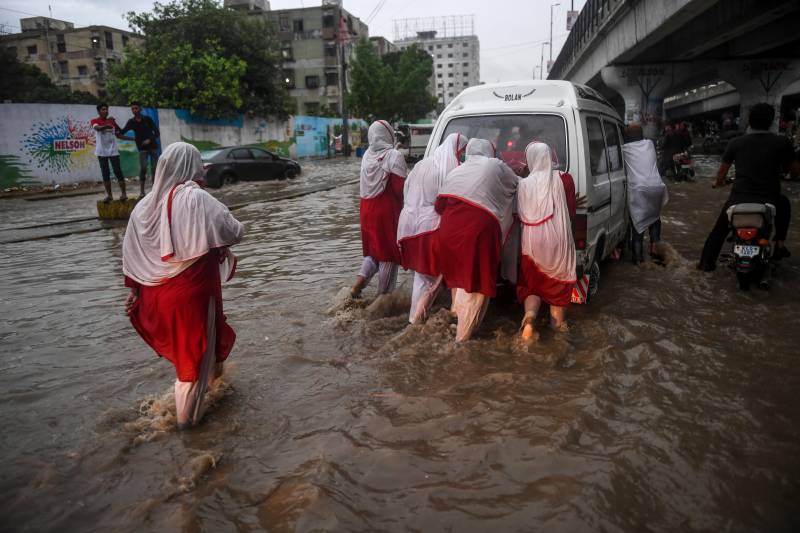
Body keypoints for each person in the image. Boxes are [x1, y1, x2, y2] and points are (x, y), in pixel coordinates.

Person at [122, 142, 244, 429]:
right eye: (199, 162)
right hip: (192, 294)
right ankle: (187, 433)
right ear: (191, 166)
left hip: (154, 293)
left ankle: (212, 397)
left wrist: (134, 291)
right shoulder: (196, 198)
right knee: (192, 364)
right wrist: (212, 240)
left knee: (198, 354)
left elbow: (131, 253)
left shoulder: (143, 207)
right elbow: (235, 230)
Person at [698, 103, 799, 271]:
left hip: (739, 199)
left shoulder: (735, 143)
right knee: (785, 204)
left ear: (749, 121)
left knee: (718, 232)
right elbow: (795, 170)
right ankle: (780, 244)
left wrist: (718, 182)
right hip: (770, 199)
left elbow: (721, 174)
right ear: (772, 121)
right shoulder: (782, 142)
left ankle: (705, 265)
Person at [435, 139, 518, 342]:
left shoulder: (456, 171)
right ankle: (460, 343)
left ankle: (452, 323)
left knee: (459, 281)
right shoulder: (494, 165)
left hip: (447, 231)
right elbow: (515, 183)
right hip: (477, 231)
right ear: (490, 151)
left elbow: (439, 206)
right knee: (477, 287)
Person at [397, 133, 468, 323]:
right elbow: (447, 203)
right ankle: (416, 321)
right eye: (461, 152)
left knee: (420, 276)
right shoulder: (449, 168)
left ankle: (420, 316)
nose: (461, 156)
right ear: (455, 149)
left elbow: (406, 189)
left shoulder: (422, 164)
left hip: (407, 225)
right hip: (428, 228)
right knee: (429, 278)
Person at [516, 142, 577, 341]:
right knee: (557, 289)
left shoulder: (522, 184)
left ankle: (530, 319)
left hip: (532, 242)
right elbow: (571, 212)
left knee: (532, 286)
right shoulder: (564, 179)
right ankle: (558, 326)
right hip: (558, 241)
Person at [351, 120, 409, 298]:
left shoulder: (367, 155)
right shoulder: (394, 156)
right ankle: (382, 298)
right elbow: (400, 189)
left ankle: (357, 285)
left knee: (374, 252)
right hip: (385, 209)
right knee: (389, 254)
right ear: (388, 134)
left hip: (366, 209)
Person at [622, 123, 668, 264]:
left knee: (638, 224)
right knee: (654, 218)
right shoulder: (649, 144)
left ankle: (638, 259)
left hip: (639, 189)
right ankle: (655, 249)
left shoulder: (624, 149)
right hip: (657, 187)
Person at [119, 102, 160, 199]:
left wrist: (149, 139)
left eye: (136, 108)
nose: (134, 110)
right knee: (143, 169)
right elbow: (122, 131)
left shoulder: (147, 119)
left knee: (155, 169)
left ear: (140, 109)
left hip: (153, 147)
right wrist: (114, 124)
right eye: (132, 109)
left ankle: (155, 190)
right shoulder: (131, 122)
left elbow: (157, 133)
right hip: (142, 148)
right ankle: (142, 191)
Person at [90, 103, 126, 202]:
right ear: (98, 111)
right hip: (101, 152)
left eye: (106, 109)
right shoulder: (95, 121)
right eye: (103, 109)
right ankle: (109, 196)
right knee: (105, 173)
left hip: (113, 151)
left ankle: (124, 194)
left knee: (118, 172)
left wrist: (133, 139)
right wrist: (106, 125)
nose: (105, 111)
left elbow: (119, 134)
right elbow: (97, 128)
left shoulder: (111, 121)